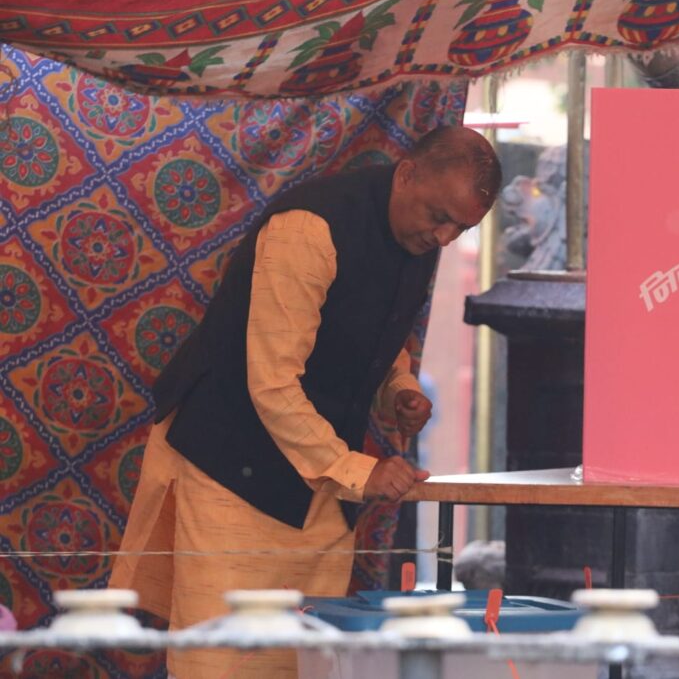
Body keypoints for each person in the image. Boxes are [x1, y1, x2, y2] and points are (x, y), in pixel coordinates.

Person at [109, 125, 501, 678]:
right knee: (222, 663)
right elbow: (271, 382)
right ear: (408, 173)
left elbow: (372, 330)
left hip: (319, 483)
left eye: (460, 228)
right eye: (440, 217)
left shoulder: (419, 238)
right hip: (231, 470)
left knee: (304, 663)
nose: (443, 236)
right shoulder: (309, 228)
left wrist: (400, 388)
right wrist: (357, 471)